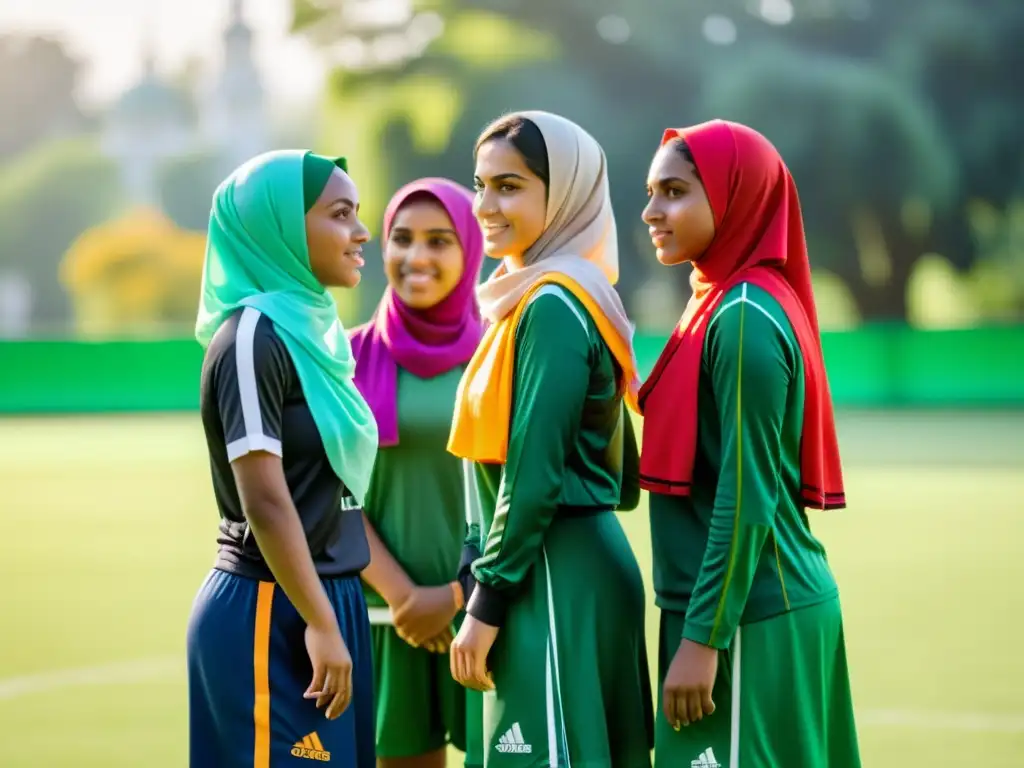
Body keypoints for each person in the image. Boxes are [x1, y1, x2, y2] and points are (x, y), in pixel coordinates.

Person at [638, 119, 861, 768]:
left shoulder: (742, 317)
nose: (652, 211)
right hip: (744, 608)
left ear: (738, 196)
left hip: (750, 617)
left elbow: (747, 497)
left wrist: (703, 638)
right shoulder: (721, 299)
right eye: (650, 192)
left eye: (674, 192)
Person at [447, 110, 654, 768]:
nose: (486, 205)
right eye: (479, 185)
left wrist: (486, 598)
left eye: (509, 186)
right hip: (559, 568)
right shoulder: (549, 295)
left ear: (562, 192)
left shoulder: (553, 306)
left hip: (552, 576)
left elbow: (533, 474)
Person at [188, 150, 379, 768]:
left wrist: (334, 617)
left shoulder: (311, 335)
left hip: (331, 598)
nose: (361, 233)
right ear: (281, 228)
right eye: (340, 214)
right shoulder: (251, 337)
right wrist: (319, 623)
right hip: (275, 607)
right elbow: (265, 500)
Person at [348, 177, 485, 768]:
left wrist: (458, 595)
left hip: (488, 615)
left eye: (439, 240)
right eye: (401, 239)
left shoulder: (500, 354)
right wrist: (406, 596)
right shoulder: (345, 357)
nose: (417, 257)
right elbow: (327, 499)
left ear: (471, 250)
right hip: (387, 617)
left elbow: (528, 494)